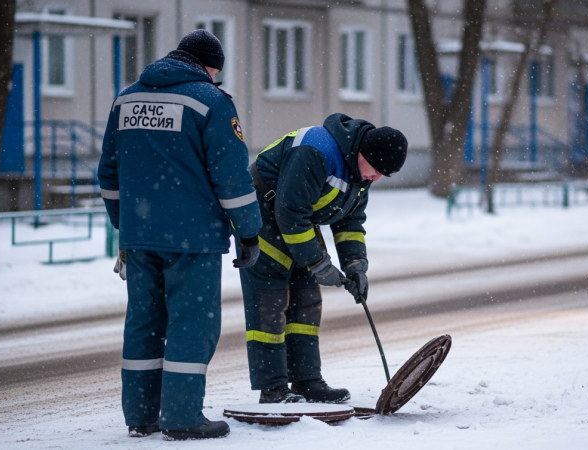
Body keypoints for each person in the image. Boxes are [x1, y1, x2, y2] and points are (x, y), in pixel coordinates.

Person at [98, 30, 262, 441]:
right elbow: (231, 177)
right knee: (192, 324)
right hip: (194, 238)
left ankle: (140, 416)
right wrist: (249, 232)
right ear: (208, 67)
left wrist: (125, 225)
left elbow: (108, 173)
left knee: (144, 323)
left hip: (138, 235)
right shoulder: (210, 101)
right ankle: (182, 417)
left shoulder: (127, 99)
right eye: (214, 73)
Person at [240, 113, 408, 404]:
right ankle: (273, 388)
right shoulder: (316, 150)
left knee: (306, 299)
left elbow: (350, 221)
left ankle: (306, 380)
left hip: (298, 219)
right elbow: (290, 213)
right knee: (269, 300)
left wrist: (356, 266)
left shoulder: (360, 172)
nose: (377, 178)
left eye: (384, 175)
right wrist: (318, 262)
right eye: (377, 170)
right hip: (262, 212)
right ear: (363, 153)